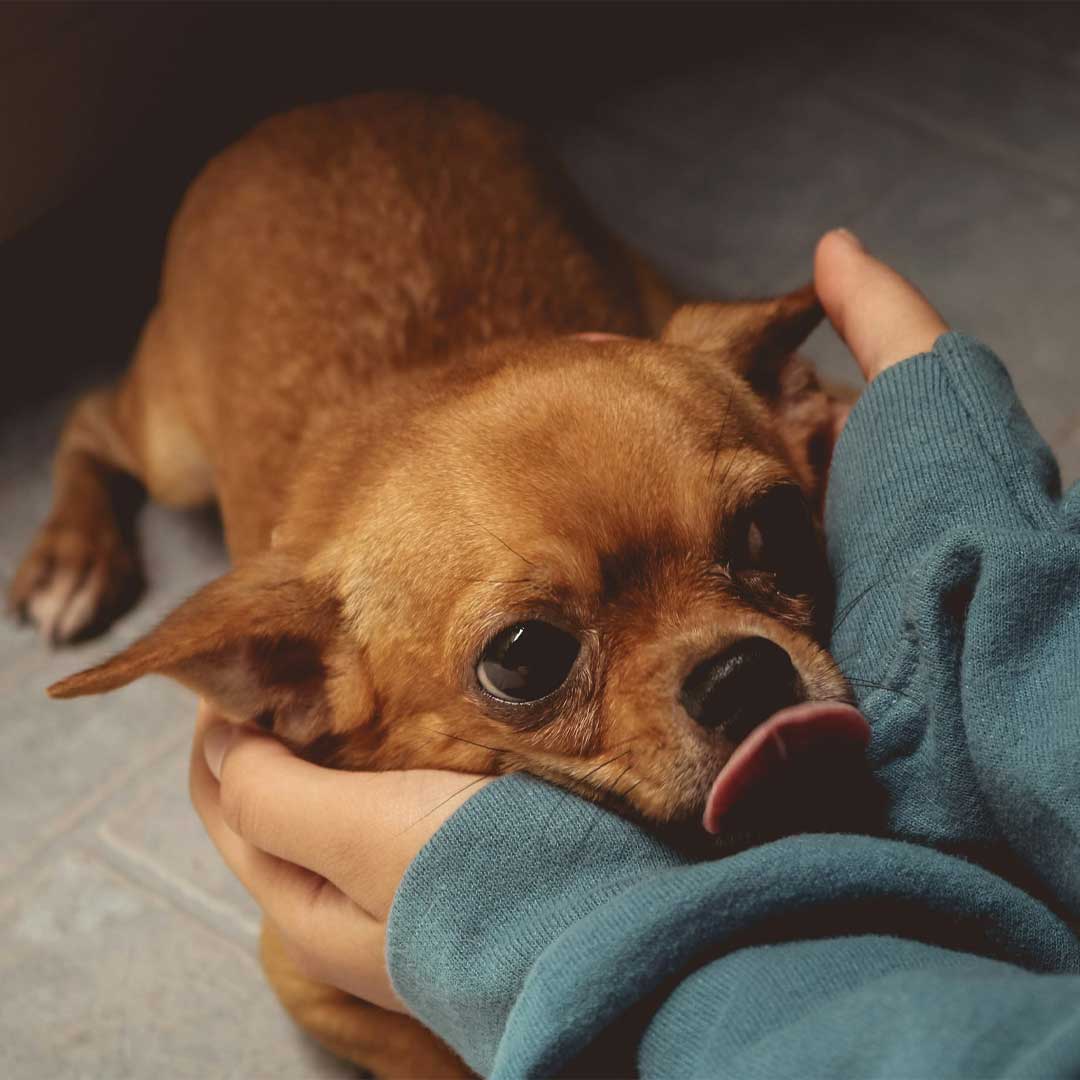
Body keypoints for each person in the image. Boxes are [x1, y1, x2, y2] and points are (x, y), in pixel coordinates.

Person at [190, 228, 1080, 1077]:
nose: (732, 669)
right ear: (297, 671)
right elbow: (319, 987)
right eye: (531, 658)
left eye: (761, 539)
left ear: (787, 404)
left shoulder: (692, 391)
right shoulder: (323, 629)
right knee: (162, 459)